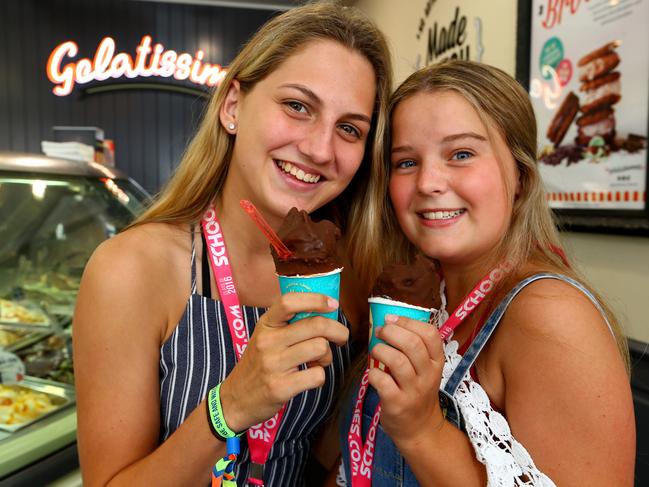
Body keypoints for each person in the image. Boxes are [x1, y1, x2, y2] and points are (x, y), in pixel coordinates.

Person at [73, 2, 392, 486]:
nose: (320, 149)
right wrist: (231, 406)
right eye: (298, 106)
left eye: (349, 129)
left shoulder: (353, 277)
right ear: (233, 106)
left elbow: (331, 459)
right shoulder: (132, 270)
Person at [337, 60, 635, 486]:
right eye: (406, 162)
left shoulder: (551, 315)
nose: (428, 183)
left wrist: (423, 431)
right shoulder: (425, 295)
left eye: (461, 154)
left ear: (520, 177)